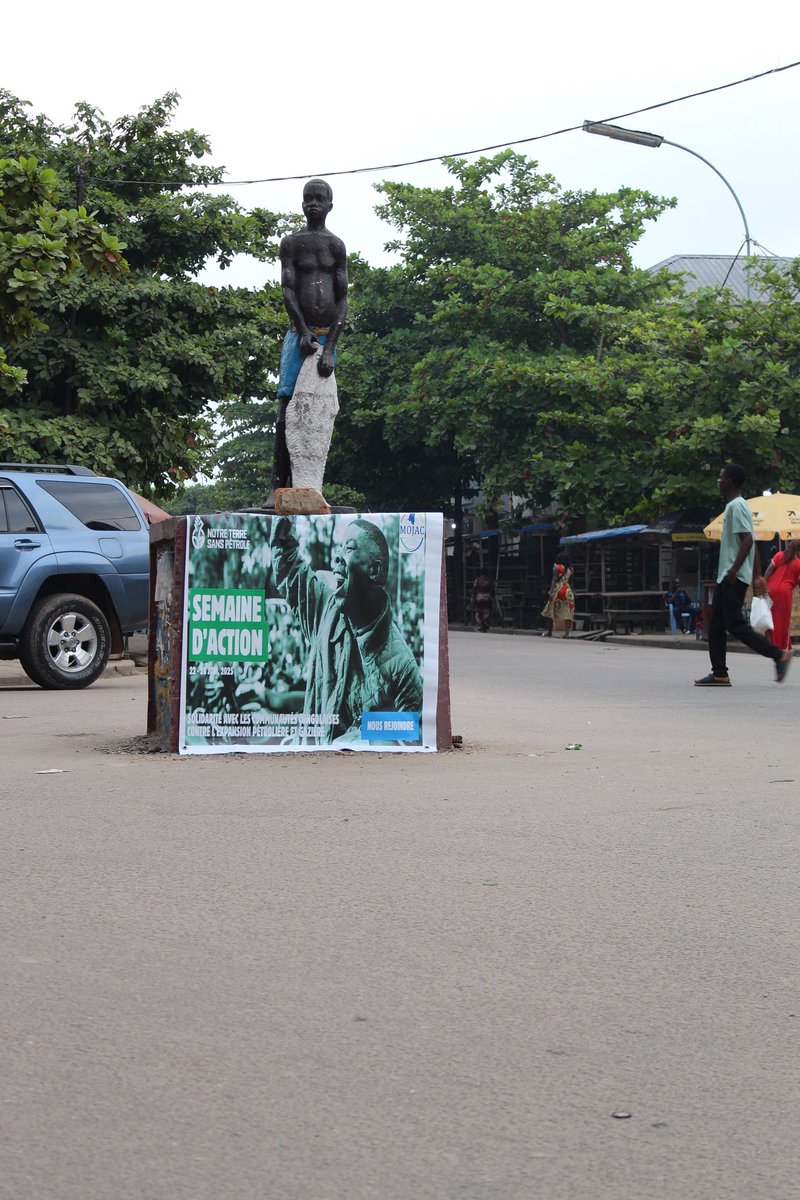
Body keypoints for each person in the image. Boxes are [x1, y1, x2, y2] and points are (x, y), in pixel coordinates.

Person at [270, 516, 423, 743]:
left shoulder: (402, 664)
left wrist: (357, 738)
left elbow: (410, 732)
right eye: (340, 548)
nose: (337, 557)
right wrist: (285, 516)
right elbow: (289, 568)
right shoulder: (325, 608)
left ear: (374, 570)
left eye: (349, 549)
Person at [269, 179, 349, 497]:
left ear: (330, 205)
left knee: (320, 411)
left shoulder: (336, 246)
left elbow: (342, 299)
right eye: (307, 199)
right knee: (285, 409)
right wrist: (301, 329)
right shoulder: (291, 243)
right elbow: (288, 288)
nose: (313, 203)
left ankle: (311, 484)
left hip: (325, 338)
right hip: (297, 335)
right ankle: (277, 484)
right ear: (302, 205)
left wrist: (330, 347)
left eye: (319, 199)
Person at [694, 464, 792, 686]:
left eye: (721, 477)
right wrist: (757, 575)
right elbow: (752, 542)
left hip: (732, 576)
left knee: (735, 624)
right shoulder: (738, 506)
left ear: (730, 482)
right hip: (730, 575)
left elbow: (747, 540)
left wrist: (734, 569)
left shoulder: (736, 507)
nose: (718, 481)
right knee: (717, 625)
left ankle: (778, 655)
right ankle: (719, 672)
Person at [764, 538, 800, 652]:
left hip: (771, 590)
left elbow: (769, 569)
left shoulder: (779, 555)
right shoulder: (798, 563)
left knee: (772, 618)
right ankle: (782, 645)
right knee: (783, 620)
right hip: (784, 592)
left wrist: (764, 584)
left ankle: (772, 644)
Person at [541, 553, 575, 638]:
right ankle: (566, 633)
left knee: (549, 610)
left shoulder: (557, 567)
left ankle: (549, 631)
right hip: (567, 590)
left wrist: (551, 591)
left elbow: (554, 580)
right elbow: (571, 581)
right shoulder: (571, 569)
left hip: (558, 590)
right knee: (568, 612)